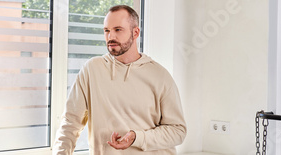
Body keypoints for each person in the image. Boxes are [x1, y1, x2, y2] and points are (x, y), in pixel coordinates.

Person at [53, 5, 186, 155]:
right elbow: (70, 123)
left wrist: (138, 137)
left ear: (135, 33)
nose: (110, 37)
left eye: (118, 30)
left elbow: (178, 131)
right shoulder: (92, 70)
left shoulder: (160, 76)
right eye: (107, 31)